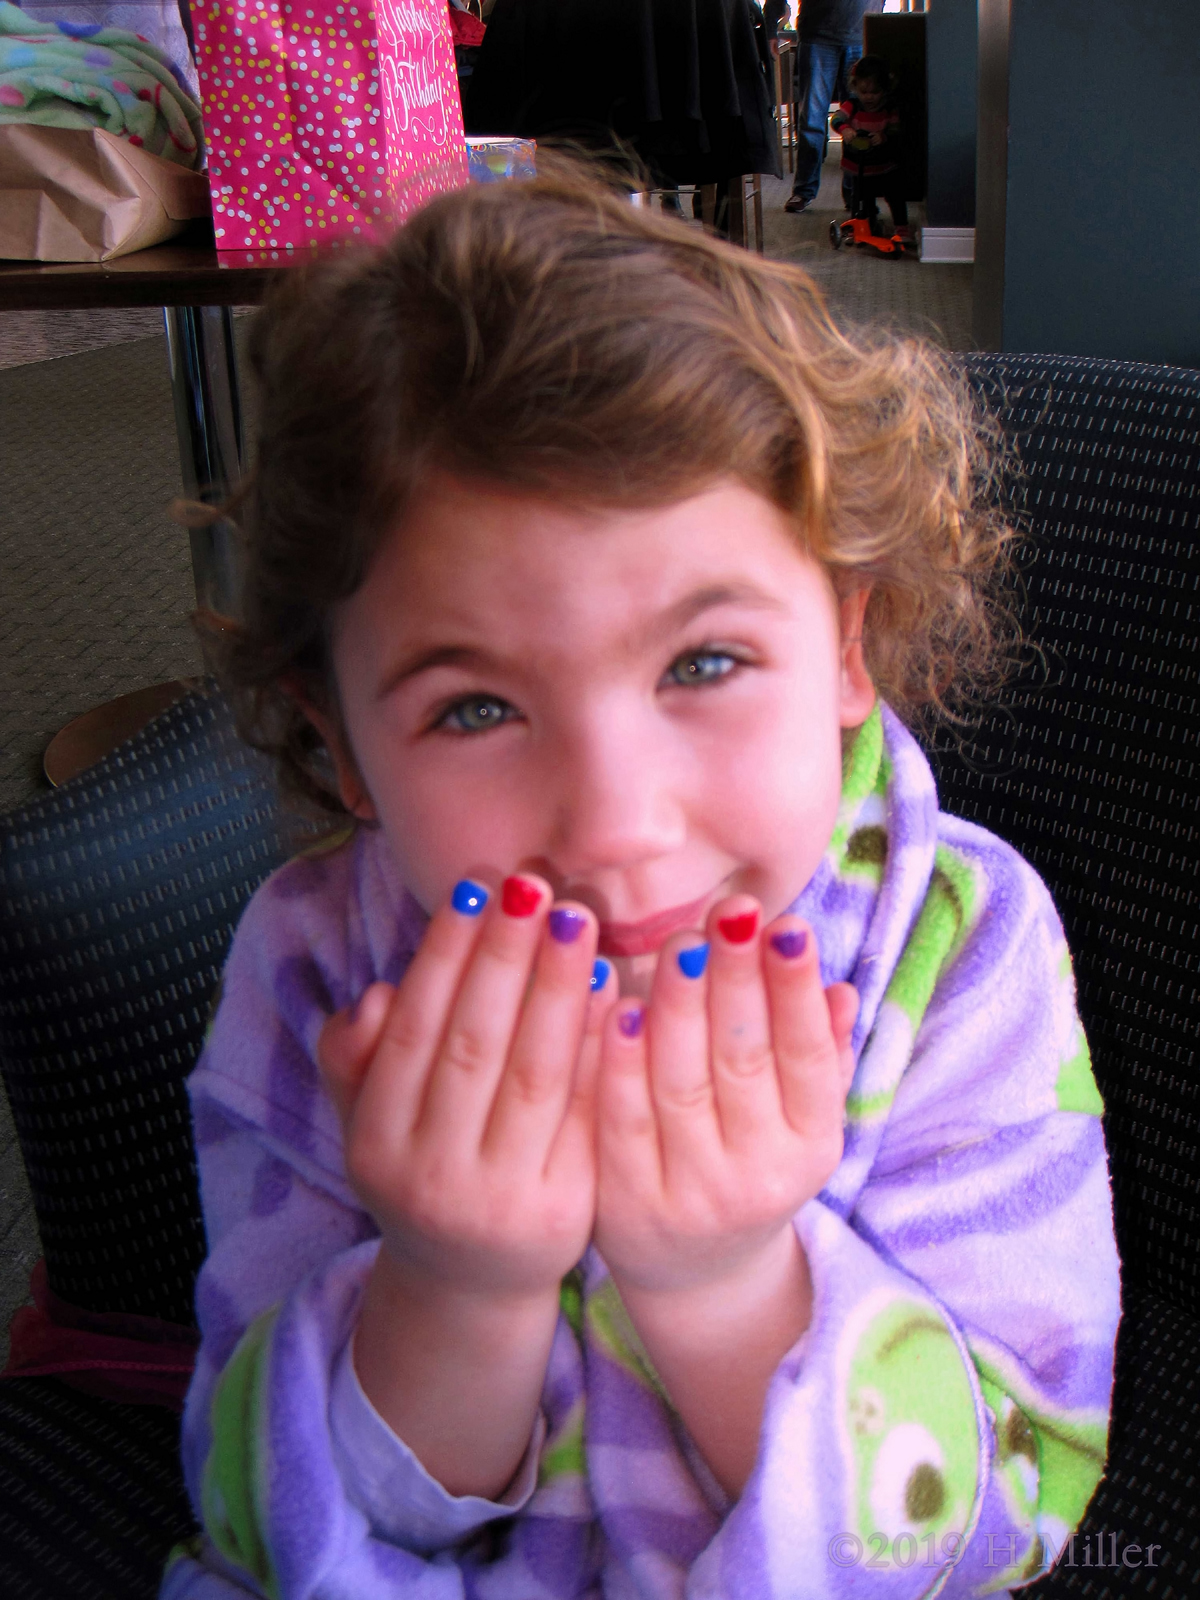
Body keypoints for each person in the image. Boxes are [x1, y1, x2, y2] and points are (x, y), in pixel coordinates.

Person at [161, 167, 1120, 1599]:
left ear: (848, 646)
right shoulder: (312, 967)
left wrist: (727, 1291)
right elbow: (258, 1518)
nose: (615, 829)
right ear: (342, 743)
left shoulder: (959, 948)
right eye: (474, 709)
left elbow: (1006, 1508)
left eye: (705, 663)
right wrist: (455, 1289)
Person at [784, 0, 883, 214]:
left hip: (860, 33)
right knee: (811, 119)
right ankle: (804, 190)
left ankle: (855, 194)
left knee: (859, 121)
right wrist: (772, 19)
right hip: (817, 36)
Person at [831, 54, 910, 242]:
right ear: (855, 87)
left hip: (884, 164)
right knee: (862, 199)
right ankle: (863, 224)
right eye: (864, 92)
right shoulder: (853, 106)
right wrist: (846, 129)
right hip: (859, 165)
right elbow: (836, 119)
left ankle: (902, 229)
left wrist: (883, 136)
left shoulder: (889, 108)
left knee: (895, 195)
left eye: (875, 92)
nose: (869, 97)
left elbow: (895, 128)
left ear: (884, 90)